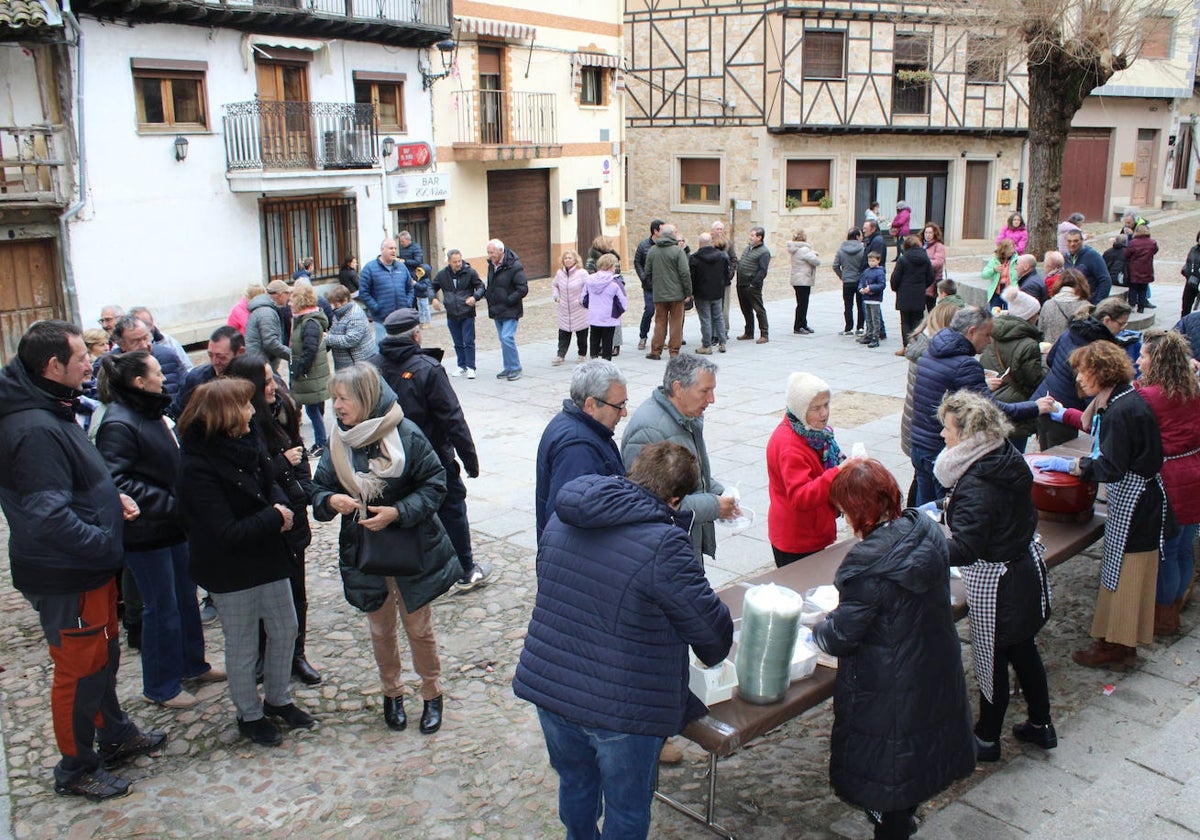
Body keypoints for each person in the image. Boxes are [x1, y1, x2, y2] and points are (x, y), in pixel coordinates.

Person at [513, 442, 734, 840]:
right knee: (627, 809)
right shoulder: (663, 544)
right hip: (622, 710)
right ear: (675, 499)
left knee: (576, 785)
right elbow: (712, 638)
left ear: (634, 472)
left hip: (554, 692)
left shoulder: (563, 519)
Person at [0, 320, 165, 800]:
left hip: (87, 567)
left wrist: (110, 498)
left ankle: (114, 735)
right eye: (80, 358)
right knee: (80, 669)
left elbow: (70, 485)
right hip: (68, 572)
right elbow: (47, 516)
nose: (91, 363)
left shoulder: (48, 404)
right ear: (53, 366)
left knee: (103, 658)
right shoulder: (32, 428)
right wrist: (104, 543)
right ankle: (76, 768)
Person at [813, 460, 974, 839]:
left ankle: (894, 823)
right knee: (916, 750)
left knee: (892, 766)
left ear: (857, 510)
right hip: (932, 663)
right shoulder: (926, 532)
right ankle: (903, 814)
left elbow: (839, 637)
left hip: (890, 681)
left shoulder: (869, 567)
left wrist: (819, 626)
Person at [310, 363, 460, 734]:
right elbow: (317, 490)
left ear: (365, 398)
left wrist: (397, 511)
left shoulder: (406, 433)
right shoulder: (338, 441)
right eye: (334, 399)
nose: (337, 407)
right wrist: (331, 501)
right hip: (365, 552)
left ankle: (431, 692)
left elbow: (435, 484)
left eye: (343, 399)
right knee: (380, 630)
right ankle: (391, 693)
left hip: (412, 547)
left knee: (418, 628)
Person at [177, 378, 313, 746]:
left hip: (268, 556)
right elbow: (223, 530)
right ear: (227, 414)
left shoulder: (247, 440)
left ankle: (278, 698)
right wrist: (275, 518)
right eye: (246, 405)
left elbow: (271, 481)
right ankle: (249, 715)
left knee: (285, 629)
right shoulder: (196, 466)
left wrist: (281, 508)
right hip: (231, 568)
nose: (253, 411)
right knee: (242, 643)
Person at [94, 352, 223, 709]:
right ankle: (161, 686)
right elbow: (117, 482)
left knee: (185, 599)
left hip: (172, 528)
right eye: (156, 372)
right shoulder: (119, 423)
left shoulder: (149, 413)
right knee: (161, 608)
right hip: (146, 534)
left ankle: (192, 664)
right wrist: (172, 504)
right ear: (139, 381)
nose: (163, 378)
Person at [932, 391, 1055, 763]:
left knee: (992, 661)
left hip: (999, 585)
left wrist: (925, 546)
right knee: (1024, 650)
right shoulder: (1001, 455)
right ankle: (1041, 723)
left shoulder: (978, 481)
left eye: (948, 429)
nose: (942, 435)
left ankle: (986, 739)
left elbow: (966, 548)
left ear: (968, 435)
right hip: (1021, 570)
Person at [1034, 341, 1172, 670]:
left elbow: (1110, 467)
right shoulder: (1122, 400)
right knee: (1125, 574)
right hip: (1140, 499)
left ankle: (1117, 648)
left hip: (1138, 505)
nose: (1079, 378)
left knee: (1127, 578)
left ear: (1101, 372)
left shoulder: (1122, 410)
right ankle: (1116, 642)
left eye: (1084, 371)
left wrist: (1074, 467)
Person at [374, 308, 491, 591]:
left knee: (407, 511)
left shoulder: (371, 367)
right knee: (451, 507)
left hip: (388, 457)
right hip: (432, 457)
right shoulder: (428, 368)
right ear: (416, 335)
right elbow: (452, 418)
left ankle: (416, 571)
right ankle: (465, 570)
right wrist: (469, 459)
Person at [226, 353, 322, 685]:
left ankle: (297, 653)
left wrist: (305, 489)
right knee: (261, 597)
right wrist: (281, 463)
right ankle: (264, 656)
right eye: (265, 381)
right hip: (262, 520)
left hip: (291, 518)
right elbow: (247, 475)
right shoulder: (238, 421)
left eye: (272, 378)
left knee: (296, 592)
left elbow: (301, 454)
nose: (273, 385)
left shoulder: (283, 407)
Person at [909, 307, 1051, 506]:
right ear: (972, 331)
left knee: (925, 506)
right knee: (944, 509)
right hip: (942, 451)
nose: (990, 341)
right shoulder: (966, 365)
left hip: (920, 444)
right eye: (987, 335)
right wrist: (1035, 407)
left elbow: (948, 387)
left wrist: (980, 385)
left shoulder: (933, 350)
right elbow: (993, 411)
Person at [621, 354, 739, 566]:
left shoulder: (687, 416)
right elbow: (648, 503)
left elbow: (689, 477)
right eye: (705, 391)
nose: (712, 399)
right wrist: (713, 506)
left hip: (682, 543)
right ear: (678, 388)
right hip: (663, 554)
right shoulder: (649, 430)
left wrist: (720, 493)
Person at [1132, 330, 1200, 635]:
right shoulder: (1193, 388)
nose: (1138, 360)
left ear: (1156, 360)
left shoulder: (1147, 396)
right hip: (1195, 470)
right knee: (1185, 546)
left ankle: (1165, 617)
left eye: (1143, 355)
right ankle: (1178, 602)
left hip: (1170, 478)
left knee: (1168, 551)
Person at [535, 359, 628, 542]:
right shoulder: (578, 449)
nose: (624, 413)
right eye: (619, 405)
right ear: (591, 405)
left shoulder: (576, 425)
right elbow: (568, 520)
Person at [767, 372, 847, 567]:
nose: (824, 413)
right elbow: (800, 496)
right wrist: (837, 473)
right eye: (816, 408)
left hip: (810, 529)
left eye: (826, 404)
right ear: (800, 410)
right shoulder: (790, 446)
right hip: (797, 538)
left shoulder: (814, 434)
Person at [1032, 295, 1131, 450]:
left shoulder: (1074, 330)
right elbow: (1092, 390)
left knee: (1048, 446)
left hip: (1045, 397)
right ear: (1106, 320)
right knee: (1057, 453)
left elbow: (1051, 358)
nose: (1123, 329)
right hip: (1061, 409)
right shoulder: (1094, 349)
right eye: (1121, 324)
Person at [900, 301, 962, 503]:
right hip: (927, 432)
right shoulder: (933, 353)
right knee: (929, 492)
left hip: (915, 428)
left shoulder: (920, 345)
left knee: (919, 481)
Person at [979, 287, 1047, 452]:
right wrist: (1046, 363)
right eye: (1036, 313)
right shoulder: (1028, 345)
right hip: (1017, 407)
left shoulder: (992, 335)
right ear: (1030, 316)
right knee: (1014, 455)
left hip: (993, 399)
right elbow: (1035, 380)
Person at [289, 284, 330, 457]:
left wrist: (299, 369)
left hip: (310, 374)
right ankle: (321, 441)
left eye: (292, 299)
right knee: (312, 410)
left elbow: (310, 350)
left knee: (313, 410)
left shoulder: (310, 322)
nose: (290, 303)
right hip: (309, 374)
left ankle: (322, 442)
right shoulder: (305, 319)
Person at [432, 249, 485, 378]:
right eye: (455, 262)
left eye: (459, 261)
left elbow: (481, 286)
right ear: (449, 262)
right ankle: (461, 365)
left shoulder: (470, 272)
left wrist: (475, 297)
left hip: (467, 311)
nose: (458, 264)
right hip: (451, 313)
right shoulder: (442, 275)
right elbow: (431, 287)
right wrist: (433, 298)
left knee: (468, 340)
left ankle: (471, 367)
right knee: (457, 342)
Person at [172, 325, 246, 419]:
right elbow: (176, 413)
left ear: (241, 352)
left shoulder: (256, 375)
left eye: (221, 357)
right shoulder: (196, 378)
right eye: (210, 355)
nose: (215, 362)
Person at [109, 314, 186, 403]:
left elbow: (186, 390)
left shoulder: (168, 356)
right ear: (121, 345)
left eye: (146, 338)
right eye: (135, 341)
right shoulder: (110, 365)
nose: (144, 345)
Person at [644, 223, 692, 359]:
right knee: (676, 322)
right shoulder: (678, 251)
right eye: (676, 232)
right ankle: (674, 352)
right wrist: (688, 292)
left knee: (660, 322)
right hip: (676, 294)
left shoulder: (653, 250)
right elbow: (685, 273)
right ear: (671, 235)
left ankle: (656, 350)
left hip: (659, 293)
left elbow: (647, 271)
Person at [485, 238, 529, 381]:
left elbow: (523, 288)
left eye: (492, 252)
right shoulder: (492, 265)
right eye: (488, 252)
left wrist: (509, 300)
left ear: (500, 251)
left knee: (506, 337)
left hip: (510, 309)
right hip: (497, 308)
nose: (490, 255)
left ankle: (515, 367)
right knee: (502, 339)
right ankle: (508, 367)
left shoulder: (514, 266)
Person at [359, 238, 416, 343]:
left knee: (403, 347)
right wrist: (376, 307)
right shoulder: (370, 268)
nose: (394, 251)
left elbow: (410, 288)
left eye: (395, 248)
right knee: (384, 349)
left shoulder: (402, 267)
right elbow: (363, 292)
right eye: (390, 248)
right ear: (382, 250)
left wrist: (407, 303)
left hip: (401, 317)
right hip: (382, 319)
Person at [890, 234, 934, 356]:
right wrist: (922, 286)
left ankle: (906, 347)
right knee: (917, 321)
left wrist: (895, 288)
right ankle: (917, 346)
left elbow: (895, 277)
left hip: (904, 293)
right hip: (919, 293)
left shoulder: (903, 259)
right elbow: (930, 277)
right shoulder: (925, 259)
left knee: (905, 321)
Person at [689, 232, 730, 353]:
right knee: (718, 317)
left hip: (701, 293)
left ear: (700, 243)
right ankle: (722, 343)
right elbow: (725, 274)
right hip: (717, 292)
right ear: (711, 242)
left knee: (705, 319)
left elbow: (692, 277)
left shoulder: (694, 258)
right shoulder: (721, 256)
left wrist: (691, 292)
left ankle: (706, 345)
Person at [583, 253, 627, 361]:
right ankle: (606, 364)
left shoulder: (590, 280)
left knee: (594, 340)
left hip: (594, 316)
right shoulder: (615, 283)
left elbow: (583, 298)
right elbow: (623, 303)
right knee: (608, 342)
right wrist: (618, 312)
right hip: (609, 317)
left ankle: (593, 362)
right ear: (612, 266)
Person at [324, 284, 377, 370]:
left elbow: (351, 340)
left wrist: (328, 339)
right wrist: (327, 335)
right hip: (346, 363)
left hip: (358, 364)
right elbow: (335, 329)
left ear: (345, 300)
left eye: (336, 303)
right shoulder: (339, 312)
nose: (333, 306)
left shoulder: (355, 315)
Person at [551, 250, 589, 365]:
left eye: (570, 258)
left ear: (575, 260)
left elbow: (588, 288)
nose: (567, 260)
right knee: (563, 333)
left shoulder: (582, 273)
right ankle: (560, 355)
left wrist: (581, 300)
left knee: (581, 335)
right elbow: (554, 285)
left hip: (579, 309)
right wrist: (556, 296)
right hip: (564, 309)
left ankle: (582, 354)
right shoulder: (559, 273)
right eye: (565, 258)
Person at [245, 280, 293, 371]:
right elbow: (270, 343)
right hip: (261, 366)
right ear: (280, 295)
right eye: (287, 294)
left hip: (260, 362)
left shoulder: (266, 310)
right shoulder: (267, 313)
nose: (289, 298)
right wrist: (293, 356)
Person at [129, 306, 193, 374]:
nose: (147, 329)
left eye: (148, 324)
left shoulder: (168, 340)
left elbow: (188, 368)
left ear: (152, 322)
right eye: (142, 325)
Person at [1037, 268, 1092, 345]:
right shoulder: (1087, 307)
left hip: (1051, 352)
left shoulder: (1048, 304)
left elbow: (1040, 329)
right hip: (1077, 353)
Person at [735, 226, 771, 343]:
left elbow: (762, 270)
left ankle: (764, 334)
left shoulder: (764, 252)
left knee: (758, 309)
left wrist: (754, 283)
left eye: (752, 235)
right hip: (741, 283)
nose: (750, 237)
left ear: (759, 237)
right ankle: (749, 332)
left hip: (752, 285)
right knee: (745, 309)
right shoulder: (748, 248)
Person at [633, 219, 663, 351]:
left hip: (663, 284)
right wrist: (643, 277)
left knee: (662, 313)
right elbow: (637, 262)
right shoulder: (643, 245)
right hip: (649, 284)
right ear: (655, 231)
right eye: (662, 230)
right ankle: (643, 336)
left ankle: (661, 338)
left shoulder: (665, 245)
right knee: (650, 310)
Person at [1064, 229, 1112, 303]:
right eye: (1069, 241)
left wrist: (1097, 302)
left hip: (1089, 303)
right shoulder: (1066, 257)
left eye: (1076, 241)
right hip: (1072, 303)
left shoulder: (1093, 256)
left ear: (1082, 241)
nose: (1072, 244)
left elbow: (1105, 280)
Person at [786, 229, 820, 334]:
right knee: (802, 304)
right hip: (803, 279)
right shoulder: (804, 250)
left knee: (801, 303)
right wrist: (815, 254)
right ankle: (798, 326)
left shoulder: (795, 249)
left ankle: (803, 324)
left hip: (797, 279)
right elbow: (816, 262)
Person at [833, 228, 865, 335]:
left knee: (848, 305)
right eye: (861, 235)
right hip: (860, 280)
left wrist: (843, 276)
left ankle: (848, 328)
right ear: (857, 237)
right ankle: (860, 327)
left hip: (847, 281)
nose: (862, 237)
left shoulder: (841, 250)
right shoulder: (863, 249)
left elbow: (835, 266)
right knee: (861, 305)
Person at [1124, 223, 1158, 313]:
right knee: (1143, 289)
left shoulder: (1133, 242)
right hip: (1147, 268)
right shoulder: (1152, 242)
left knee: (1133, 288)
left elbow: (1126, 254)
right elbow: (1155, 251)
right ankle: (1141, 307)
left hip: (1134, 268)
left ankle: (1131, 305)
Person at [857, 250, 887, 348]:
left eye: (873, 261)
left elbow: (882, 284)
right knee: (868, 318)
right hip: (866, 298)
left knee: (875, 319)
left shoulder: (879, 272)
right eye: (870, 261)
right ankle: (869, 334)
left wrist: (871, 288)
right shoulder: (866, 271)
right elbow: (861, 281)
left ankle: (875, 336)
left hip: (875, 299)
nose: (871, 263)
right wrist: (861, 288)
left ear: (878, 261)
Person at [981, 238, 1018, 311]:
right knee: (995, 315)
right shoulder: (994, 261)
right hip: (996, 293)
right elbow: (984, 275)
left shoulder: (1016, 260)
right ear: (1003, 250)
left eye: (1012, 248)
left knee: (1009, 314)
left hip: (1010, 293)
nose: (1011, 251)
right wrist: (993, 270)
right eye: (1009, 249)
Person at [922, 223, 947, 312]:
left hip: (932, 280)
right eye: (926, 233)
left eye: (930, 233)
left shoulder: (938, 246)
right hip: (921, 281)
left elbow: (938, 262)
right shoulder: (921, 245)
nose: (927, 235)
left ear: (934, 234)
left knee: (931, 307)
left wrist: (924, 264)